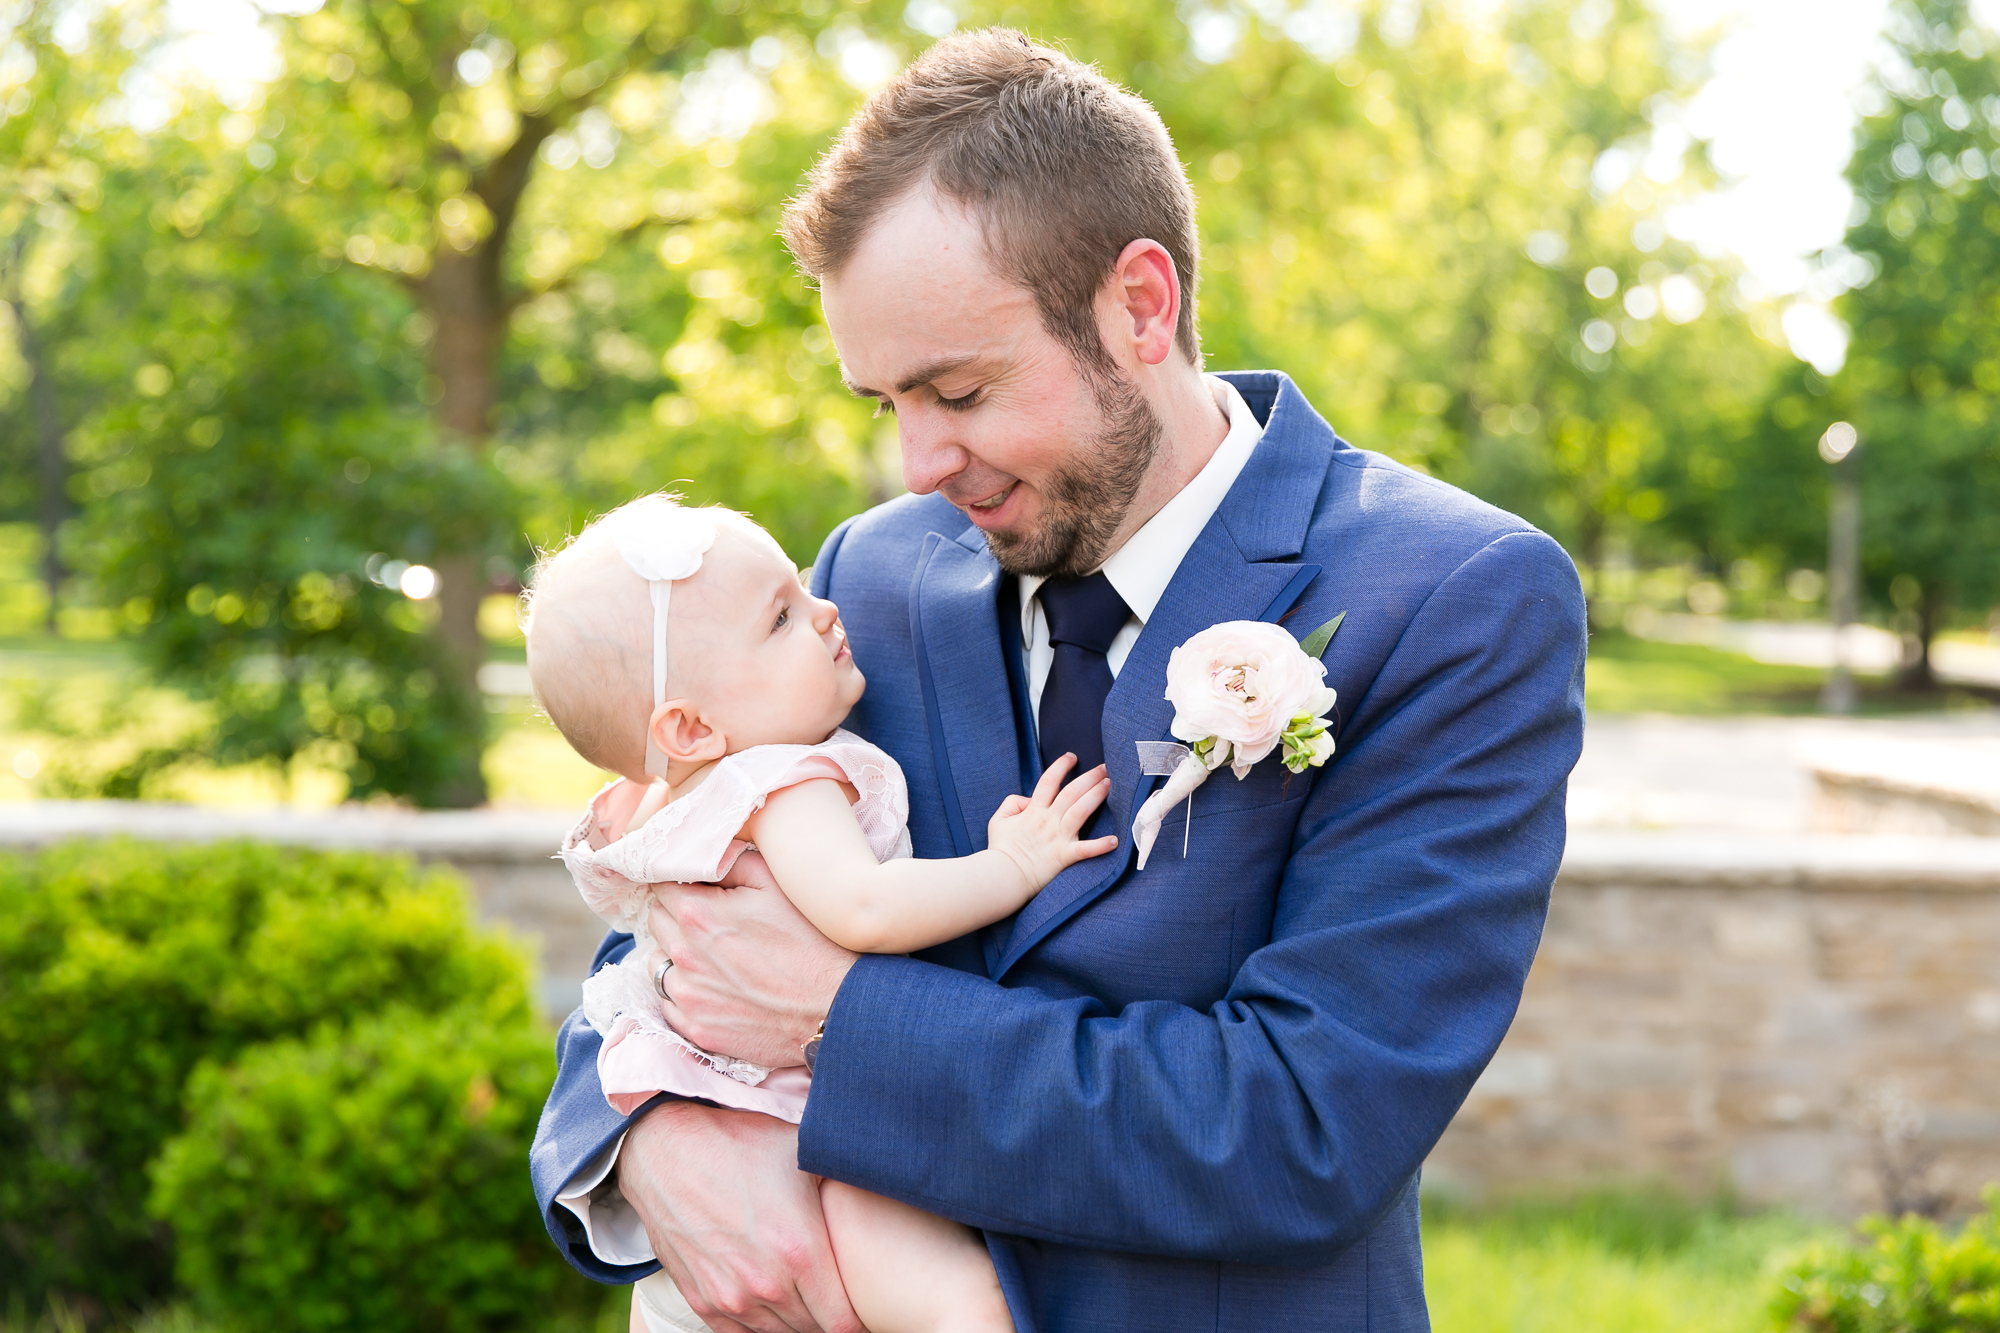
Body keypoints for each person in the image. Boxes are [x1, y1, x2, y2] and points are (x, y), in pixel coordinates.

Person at [531, 29, 1587, 1333]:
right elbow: (684, 899)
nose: (919, 462)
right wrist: (646, 1141)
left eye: (959, 389)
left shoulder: (1457, 597)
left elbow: (1301, 1122)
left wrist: (839, 1023)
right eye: (885, 405)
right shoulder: (874, 573)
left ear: (1139, 305)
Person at [523, 495, 1116, 1332]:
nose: (826, 608)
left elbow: (630, 972)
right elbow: (867, 909)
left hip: (722, 1166)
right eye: (780, 618)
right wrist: (1013, 863)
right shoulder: (782, 784)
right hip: (811, 1132)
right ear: (690, 724)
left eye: (798, 586)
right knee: (967, 1306)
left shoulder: (654, 800)